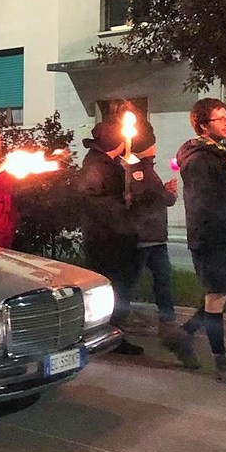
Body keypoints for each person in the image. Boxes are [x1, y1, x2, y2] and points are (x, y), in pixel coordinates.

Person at [166, 99, 226, 385]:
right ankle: (220, 359)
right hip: (211, 236)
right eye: (219, 118)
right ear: (203, 125)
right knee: (216, 295)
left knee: (225, 292)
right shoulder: (198, 158)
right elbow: (205, 201)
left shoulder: (221, 150)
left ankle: (183, 335)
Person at [76, 120, 142, 355]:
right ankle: (109, 335)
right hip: (106, 240)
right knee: (114, 288)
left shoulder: (111, 164)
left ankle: (115, 332)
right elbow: (90, 199)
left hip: (118, 236)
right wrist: (120, 204)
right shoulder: (96, 166)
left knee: (122, 287)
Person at [124, 122, 180, 344]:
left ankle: (167, 322)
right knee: (131, 281)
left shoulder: (144, 168)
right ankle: (118, 319)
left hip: (154, 236)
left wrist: (163, 191)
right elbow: (153, 197)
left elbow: (152, 195)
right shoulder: (137, 169)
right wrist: (168, 193)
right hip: (143, 235)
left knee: (163, 278)